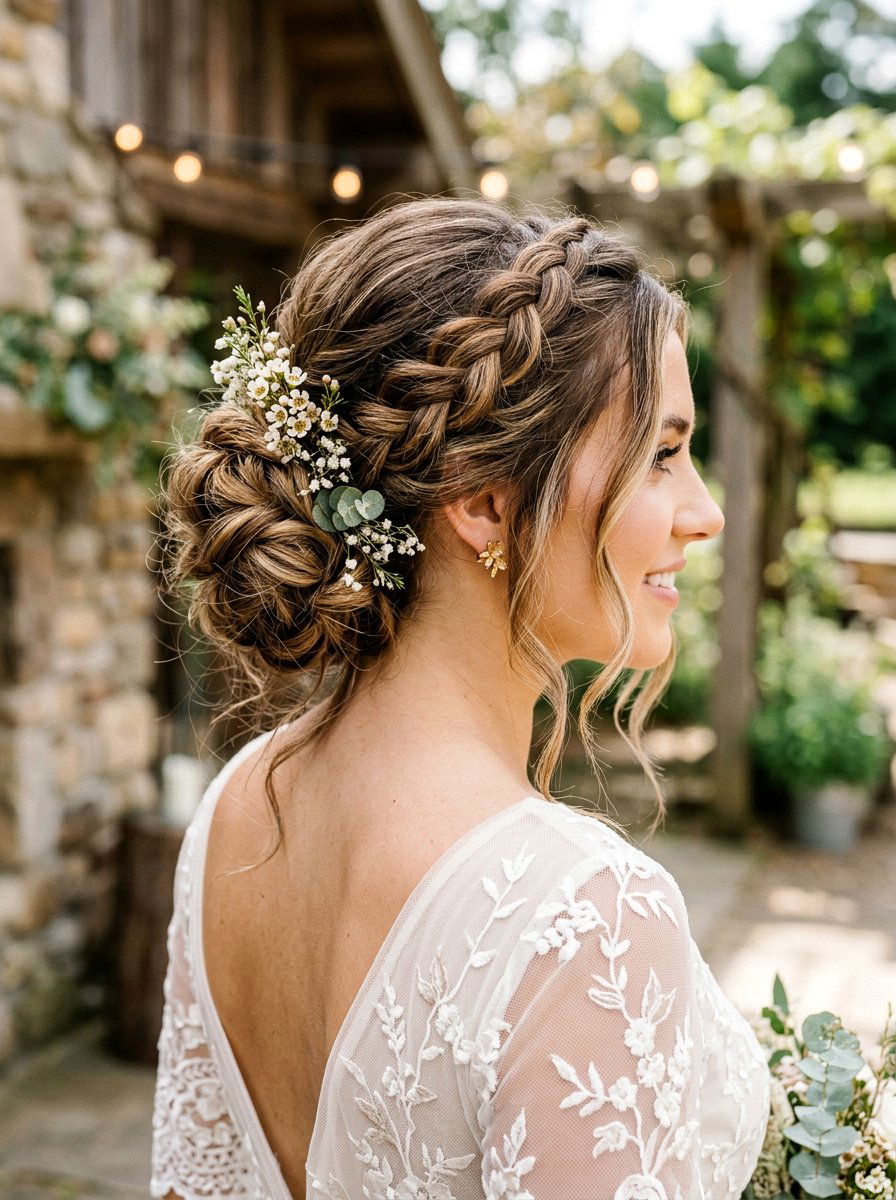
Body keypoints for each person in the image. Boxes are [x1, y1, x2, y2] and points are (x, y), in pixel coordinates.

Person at [150, 196, 770, 1200]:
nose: (701, 512)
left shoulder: (231, 814)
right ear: (482, 501)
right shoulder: (581, 915)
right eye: (661, 454)